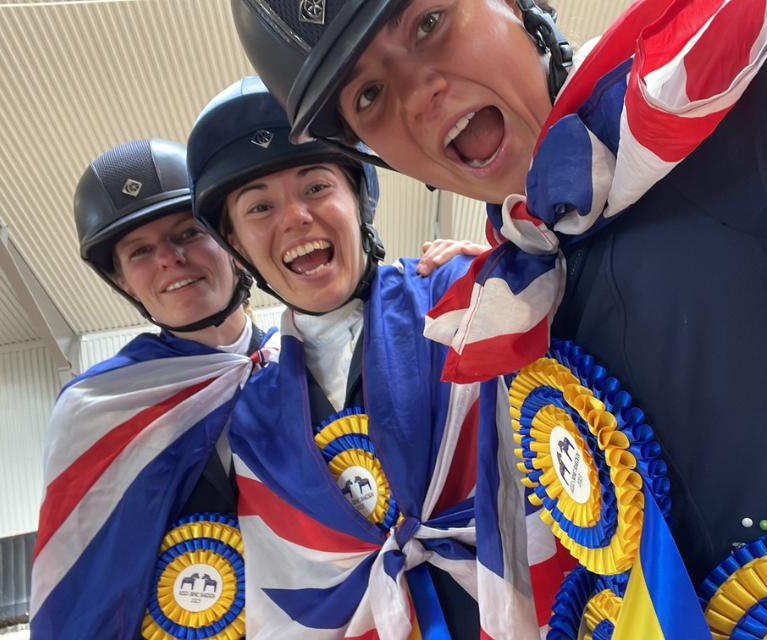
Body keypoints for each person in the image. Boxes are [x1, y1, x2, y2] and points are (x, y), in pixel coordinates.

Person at [231, 0, 767, 634]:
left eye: (428, 25)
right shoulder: (518, 290)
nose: (419, 95)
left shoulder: (746, 89)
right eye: (370, 94)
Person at [31, 126, 489, 637]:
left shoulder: (298, 363)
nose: (169, 258)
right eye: (139, 252)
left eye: (187, 233)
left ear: (232, 245)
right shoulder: (99, 406)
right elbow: (81, 587)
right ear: (121, 281)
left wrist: (483, 283)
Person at [189, 76, 565, 639]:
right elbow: (284, 592)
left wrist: (513, 262)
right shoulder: (251, 419)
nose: (294, 218)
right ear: (239, 246)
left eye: (315, 187)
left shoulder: (460, 298)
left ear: (358, 198)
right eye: (259, 207)